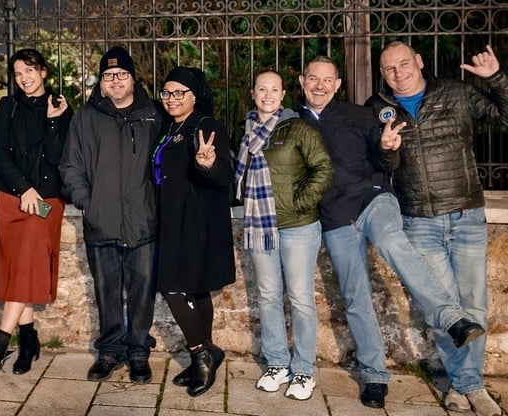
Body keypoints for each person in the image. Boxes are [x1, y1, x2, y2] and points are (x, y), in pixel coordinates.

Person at [298, 55, 488, 409]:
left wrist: (388, 149)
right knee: (356, 298)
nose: (320, 85)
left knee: (390, 239)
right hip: (335, 217)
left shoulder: (358, 115)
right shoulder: (294, 124)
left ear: (338, 84)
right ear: (302, 81)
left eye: (327, 80)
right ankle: (374, 375)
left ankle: (450, 317)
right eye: (313, 79)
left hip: (373, 200)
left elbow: (387, 156)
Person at [366, 42, 508, 416]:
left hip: (466, 214)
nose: (398, 72)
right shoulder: (377, 108)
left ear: (419, 62)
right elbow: (379, 163)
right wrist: (386, 149)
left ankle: (467, 386)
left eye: (404, 64)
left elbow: (504, 117)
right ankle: (467, 385)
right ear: (383, 74)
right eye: (389, 68)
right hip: (418, 220)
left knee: (473, 303)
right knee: (443, 306)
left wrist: (496, 78)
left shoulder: (455, 93)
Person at [59, 45, 163, 384]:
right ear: (101, 81)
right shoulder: (85, 117)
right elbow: (70, 165)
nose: (115, 80)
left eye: (121, 75)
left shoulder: (154, 114)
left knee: (142, 290)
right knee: (106, 290)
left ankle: (138, 353)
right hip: (101, 219)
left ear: (133, 78)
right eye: (108, 75)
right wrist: (87, 202)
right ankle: (109, 352)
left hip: (143, 220)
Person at [235, 69, 333, 401]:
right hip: (261, 226)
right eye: (261, 89)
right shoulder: (248, 131)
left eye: (273, 89)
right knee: (268, 296)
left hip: (298, 227)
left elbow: (323, 168)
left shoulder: (297, 127)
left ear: (282, 94)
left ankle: (304, 369)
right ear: (253, 93)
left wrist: (298, 202)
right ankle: (278, 363)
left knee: (301, 299)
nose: (267, 95)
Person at [0, 48, 72, 378]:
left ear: (44, 71)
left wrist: (52, 121)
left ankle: (1, 342)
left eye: (29, 70)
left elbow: (58, 157)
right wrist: (23, 188)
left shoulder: (60, 106)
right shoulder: (8, 106)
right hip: (12, 198)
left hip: (45, 201)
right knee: (18, 266)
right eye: (18, 73)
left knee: (27, 261)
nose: (24, 78)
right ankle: (29, 339)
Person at [152, 66, 235, 396]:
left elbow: (224, 175)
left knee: (171, 285)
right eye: (166, 93)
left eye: (178, 93)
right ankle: (209, 353)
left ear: (195, 96)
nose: (171, 99)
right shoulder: (169, 126)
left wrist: (207, 164)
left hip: (198, 220)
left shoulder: (206, 126)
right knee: (195, 288)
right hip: (172, 218)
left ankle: (200, 354)